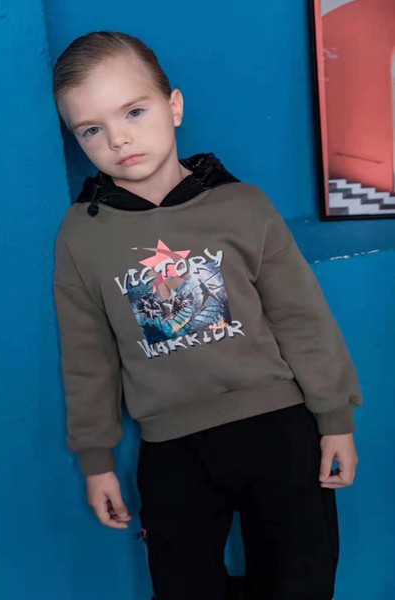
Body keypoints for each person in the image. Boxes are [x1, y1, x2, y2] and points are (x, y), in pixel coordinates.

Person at [52, 31, 362, 600]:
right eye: (91, 129)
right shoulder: (82, 235)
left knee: (303, 581)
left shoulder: (243, 205)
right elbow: (87, 355)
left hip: (280, 432)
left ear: (174, 106)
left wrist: (336, 419)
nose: (118, 139)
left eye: (134, 111)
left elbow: (302, 317)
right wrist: (96, 459)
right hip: (173, 451)